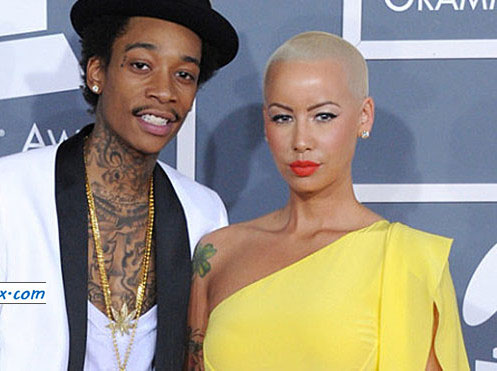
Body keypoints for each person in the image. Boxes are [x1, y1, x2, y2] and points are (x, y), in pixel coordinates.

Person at [0, 0, 239, 371]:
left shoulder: (203, 212)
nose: (164, 91)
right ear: (97, 72)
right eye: (141, 65)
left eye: (184, 75)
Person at [185, 31, 469, 370]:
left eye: (323, 116)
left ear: (364, 116)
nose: (301, 140)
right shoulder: (217, 253)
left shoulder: (409, 260)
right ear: (266, 123)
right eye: (283, 117)